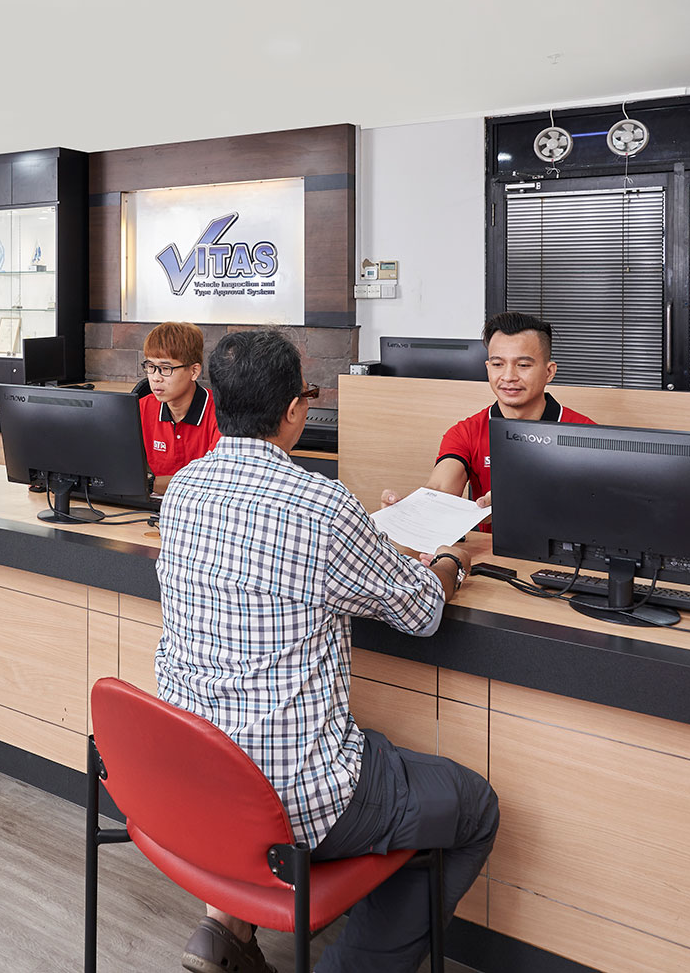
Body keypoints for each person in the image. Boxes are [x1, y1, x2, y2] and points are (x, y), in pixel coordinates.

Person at [157, 329, 499, 973]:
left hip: (197, 775)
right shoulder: (320, 503)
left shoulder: (183, 488)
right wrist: (451, 558)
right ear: (295, 410)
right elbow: (421, 611)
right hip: (290, 793)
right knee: (472, 806)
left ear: (215, 399)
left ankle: (224, 927)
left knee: (380, 753)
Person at [392, 311, 594, 512]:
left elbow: (595, 505)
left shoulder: (588, 434)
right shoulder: (465, 433)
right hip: (490, 535)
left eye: (523, 365)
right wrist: (406, 511)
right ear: (488, 368)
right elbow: (439, 489)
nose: (508, 376)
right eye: (498, 364)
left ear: (549, 372)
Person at [138, 321, 220, 478]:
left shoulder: (221, 414)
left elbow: (213, 480)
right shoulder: (141, 408)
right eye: (151, 367)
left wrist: (150, 484)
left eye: (165, 368)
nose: (155, 378)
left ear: (194, 371)